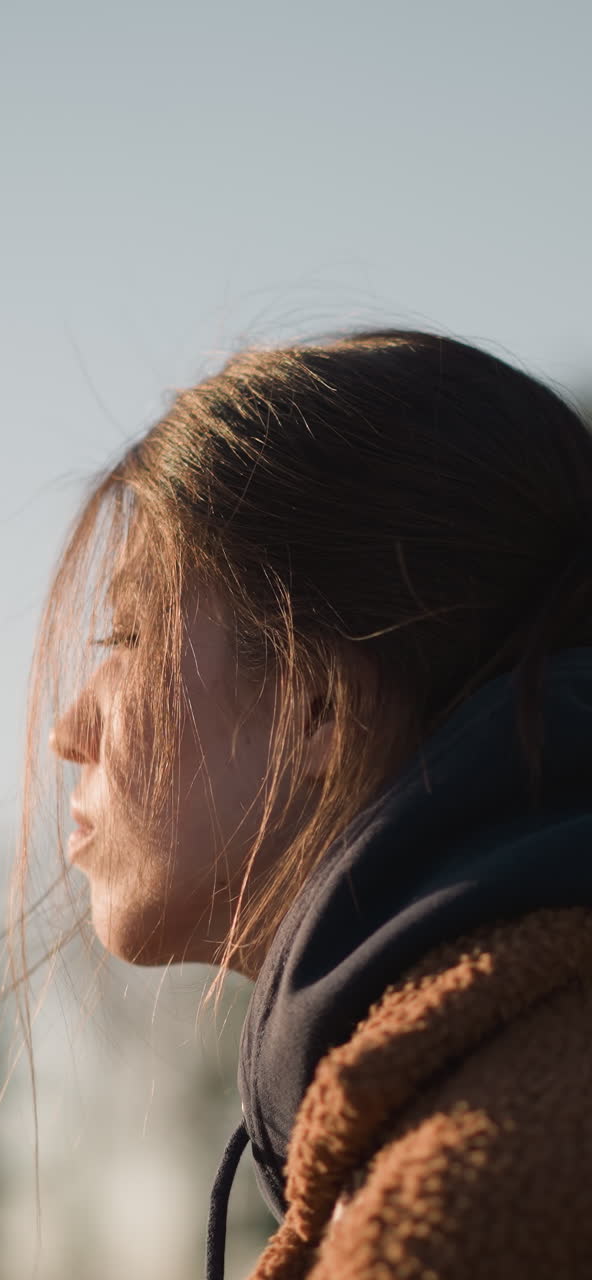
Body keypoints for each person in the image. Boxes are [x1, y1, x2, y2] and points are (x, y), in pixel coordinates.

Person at [43, 327, 592, 1280]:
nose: (66, 729)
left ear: (317, 702)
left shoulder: (474, 1191)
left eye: (127, 634)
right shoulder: (465, 1098)